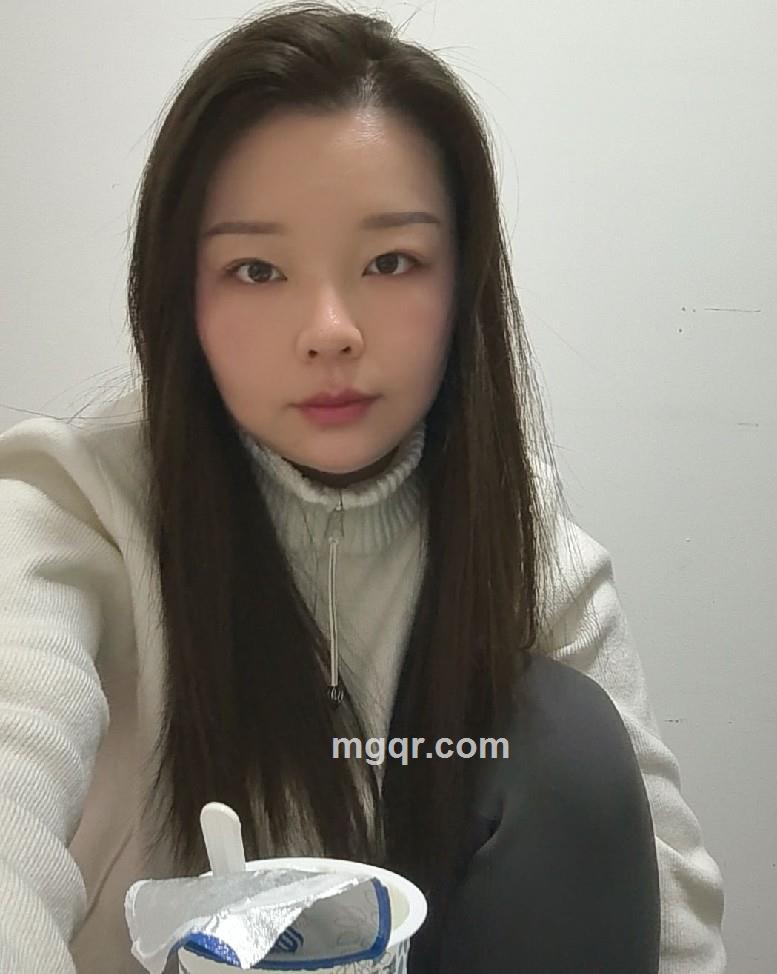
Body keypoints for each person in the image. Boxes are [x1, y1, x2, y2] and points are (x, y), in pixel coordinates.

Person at [0, 3, 726, 972]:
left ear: (461, 282)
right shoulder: (71, 507)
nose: (330, 330)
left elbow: (664, 902)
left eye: (390, 262)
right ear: (181, 297)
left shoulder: (517, 532)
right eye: (257, 269)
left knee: (566, 739)